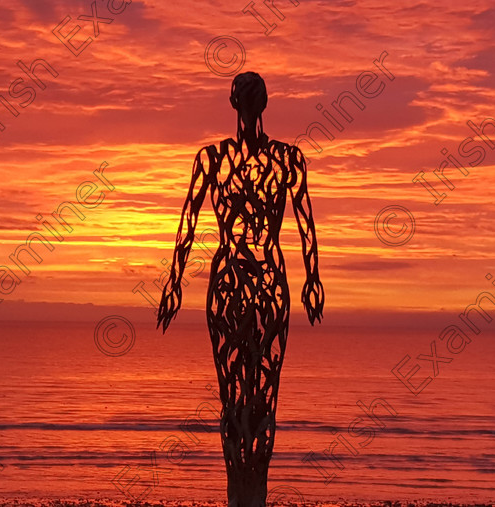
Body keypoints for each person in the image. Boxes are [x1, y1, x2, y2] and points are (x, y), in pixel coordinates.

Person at [157, 71, 324, 506]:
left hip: (268, 283)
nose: (249, 110)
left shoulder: (288, 159)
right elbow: (188, 224)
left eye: (251, 102)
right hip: (231, 282)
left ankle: (254, 494)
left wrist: (313, 279)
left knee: (264, 392)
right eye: (246, 101)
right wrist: (173, 282)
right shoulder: (212, 159)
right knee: (233, 393)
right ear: (242, 105)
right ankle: (239, 493)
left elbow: (306, 224)